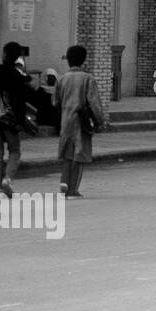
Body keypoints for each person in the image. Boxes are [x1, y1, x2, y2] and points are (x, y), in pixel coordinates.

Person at [0, 41, 37, 199]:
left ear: (5, 54)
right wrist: (20, 122)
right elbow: (21, 99)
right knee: (14, 150)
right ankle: (8, 178)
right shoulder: (18, 75)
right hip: (11, 120)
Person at [54, 45, 106, 198]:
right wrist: (100, 120)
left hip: (65, 121)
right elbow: (94, 103)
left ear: (68, 60)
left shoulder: (62, 79)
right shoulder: (87, 79)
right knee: (80, 155)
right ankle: (73, 190)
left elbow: (55, 102)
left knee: (67, 155)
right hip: (81, 122)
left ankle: (64, 184)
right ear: (83, 60)